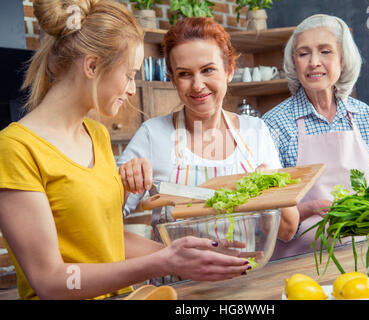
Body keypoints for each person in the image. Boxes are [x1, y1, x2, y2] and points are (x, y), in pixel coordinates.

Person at [0, 0, 251, 300]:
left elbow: (109, 238)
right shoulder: (15, 149)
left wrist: (189, 256)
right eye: (130, 74)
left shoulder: (96, 135)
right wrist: (160, 262)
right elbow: (50, 281)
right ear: (92, 66)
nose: (132, 89)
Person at [117, 17, 300, 283]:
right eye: (184, 74)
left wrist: (269, 189)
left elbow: (286, 230)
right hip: (177, 289)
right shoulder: (152, 135)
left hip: (245, 285)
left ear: (229, 69)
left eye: (208, 70)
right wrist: (124, 181)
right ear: (172, 79)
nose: (198, 85)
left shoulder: (256, 132)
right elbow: (101, 224)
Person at [262, 14, 369, 259]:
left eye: (325, 51)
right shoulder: (274, 124)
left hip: (364, 255)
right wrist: (309, 210)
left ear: (343, 60)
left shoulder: (363, 115)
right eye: (303, 53)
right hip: (298, 261)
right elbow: (269, 217)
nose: (314, 62)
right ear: (294, 62)